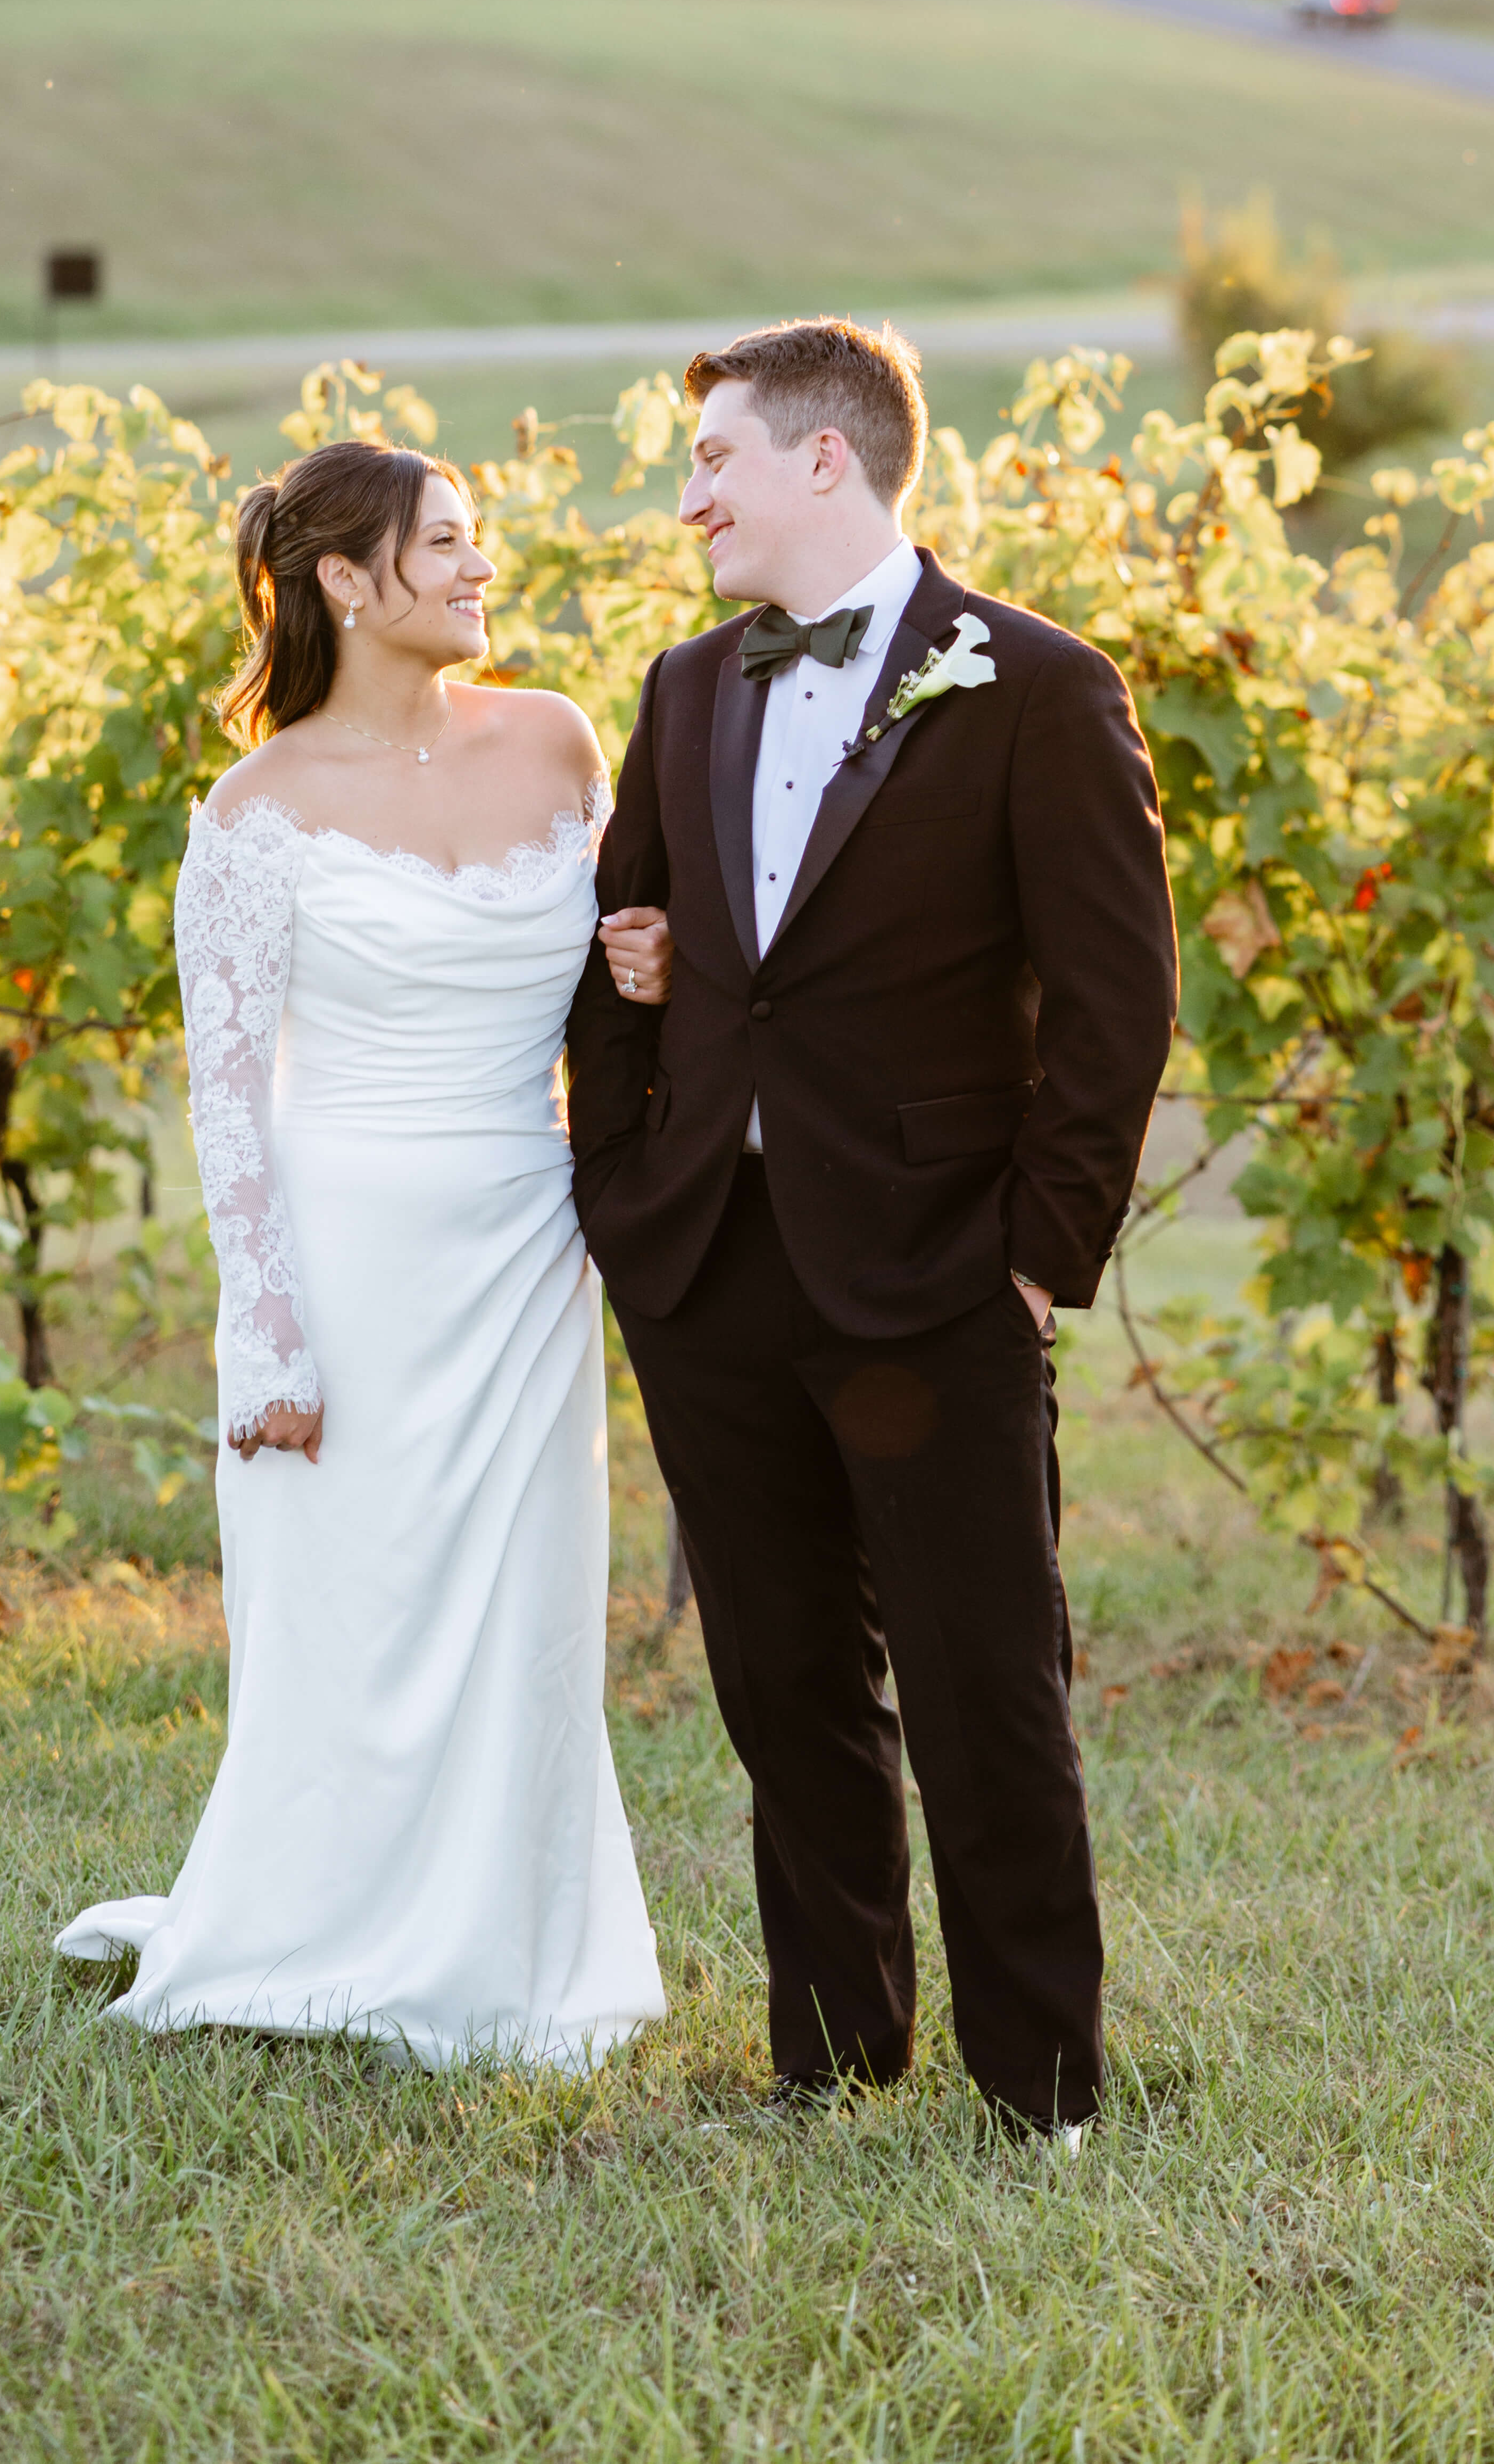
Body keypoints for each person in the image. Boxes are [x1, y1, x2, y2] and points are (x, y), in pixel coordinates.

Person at [563, 315, 1178, 2144]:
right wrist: (626, 1182)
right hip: (712, 1266)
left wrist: (1036, 1254)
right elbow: (632, 953)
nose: (690, 502)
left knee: (991, 1685)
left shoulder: (1042, 686)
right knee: (783, 1683)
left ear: (827, 459)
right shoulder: (683, 688)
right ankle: (831, 2055)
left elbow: (1117, 998)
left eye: (715, 461)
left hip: (936, 1270)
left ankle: (1040, 2091)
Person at [55, 436, 675, 2070]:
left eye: (479, 541)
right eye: (450, 543)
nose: (484, 569)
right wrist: (266, 1331)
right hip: (339, 1255)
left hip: (529, 1247)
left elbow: (619, 993)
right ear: (347, 578)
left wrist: (656, 962)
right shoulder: (254, 812)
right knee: (351, 1601)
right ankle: (309, 1920)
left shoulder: (558, 740)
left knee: (520, 1612)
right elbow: (229, 1086)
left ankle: (506, 1949)